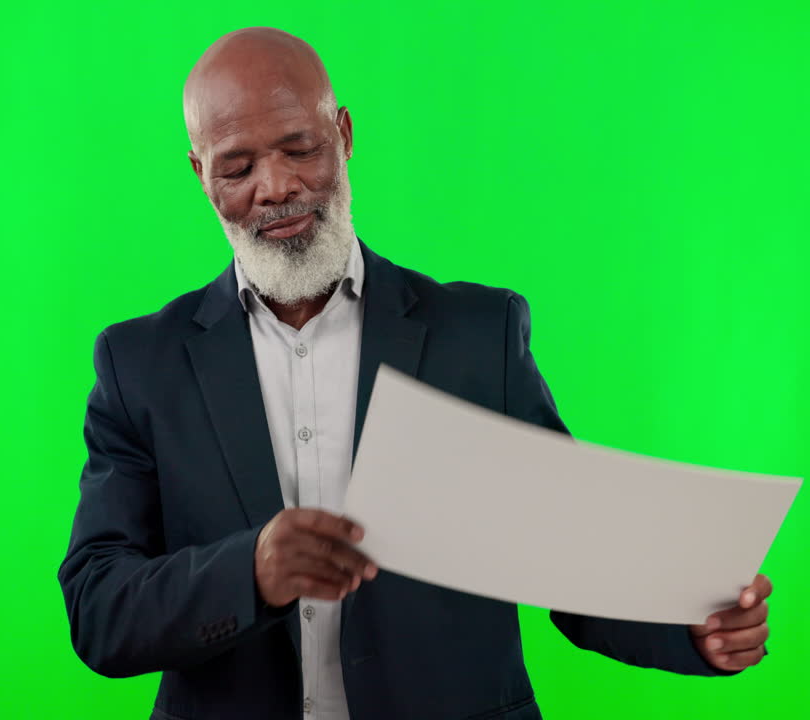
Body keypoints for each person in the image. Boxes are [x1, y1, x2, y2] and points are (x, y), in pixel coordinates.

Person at [57, 26, 772, 720]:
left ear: (343, 135)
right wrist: (250, 573)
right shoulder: (139, 365)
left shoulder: (479, 337)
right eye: (237, 168)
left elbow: (565, 554)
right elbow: (98, 608)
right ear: (200, 174)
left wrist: (692, 628)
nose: (274, 187)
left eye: (300, 149)